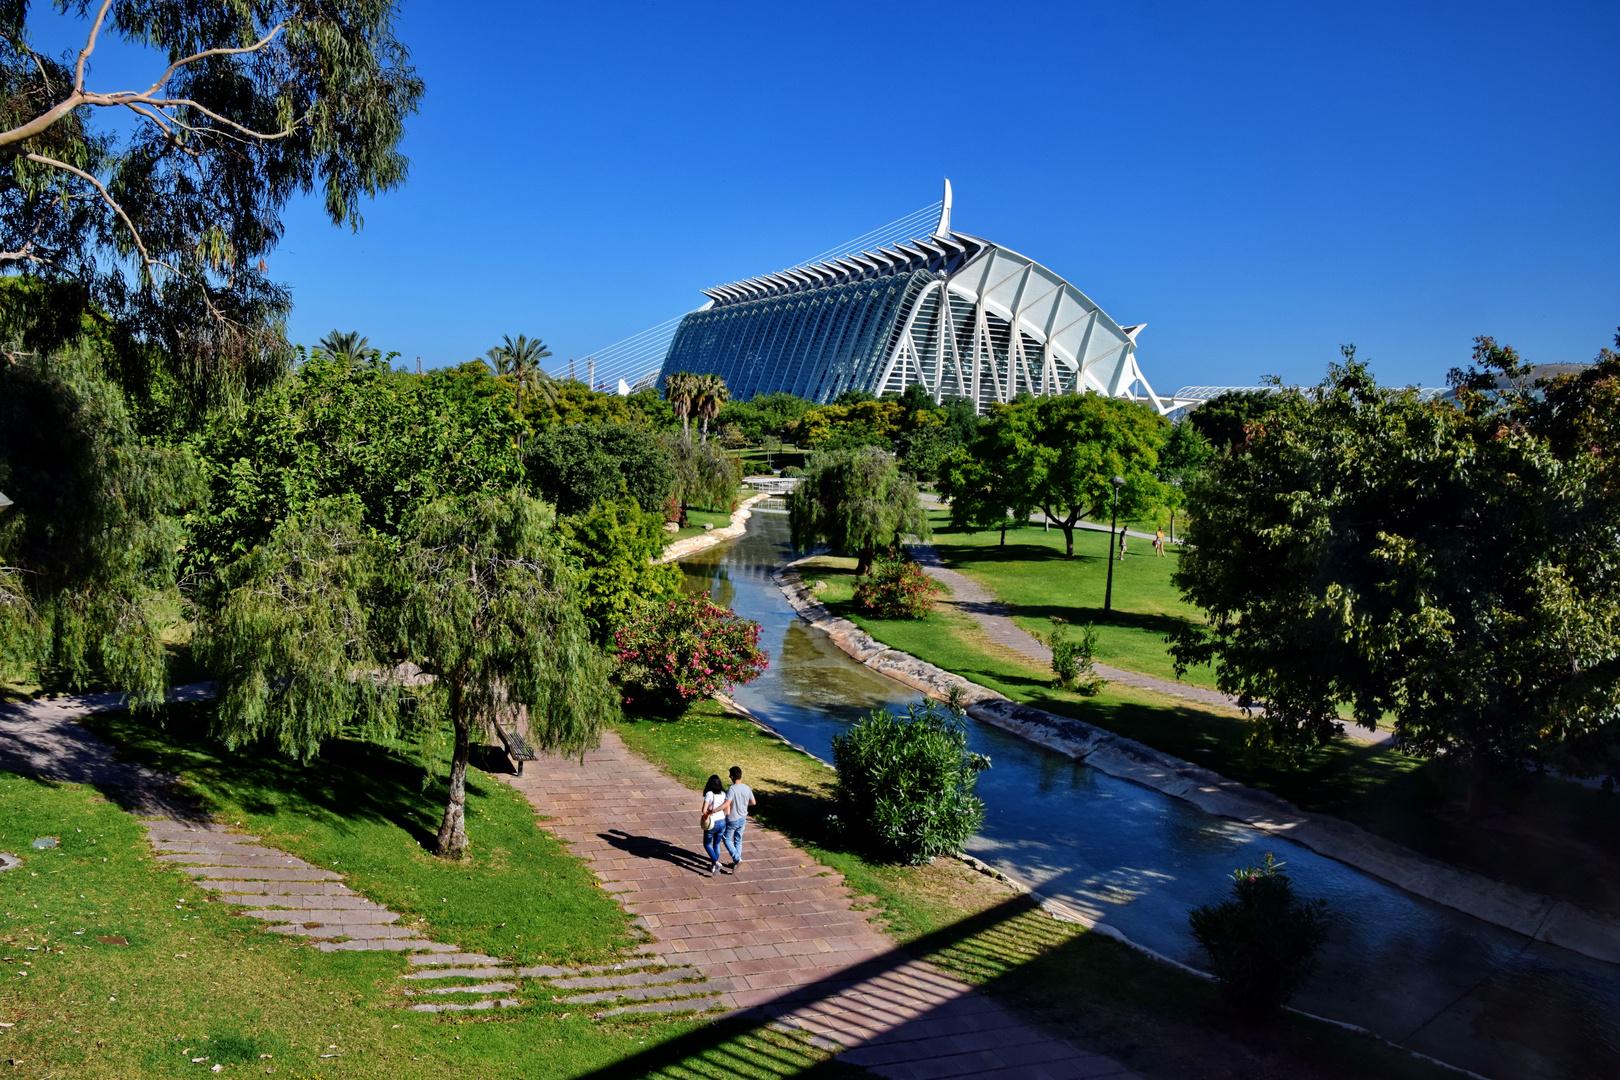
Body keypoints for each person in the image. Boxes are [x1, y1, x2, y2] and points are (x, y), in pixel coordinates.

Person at [718, 765, 755, 873]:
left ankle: (737, 859)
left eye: (730, 776)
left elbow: (727, 804)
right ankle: (736, 862)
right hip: (743, 818)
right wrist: (744, 803)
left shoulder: (732, 789)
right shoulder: (747, 788)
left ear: (733, 777)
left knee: (726, 838)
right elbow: (753, 802)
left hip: (733, 818)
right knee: (738, 839)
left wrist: (715, 810)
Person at [698, 774, 730, 876]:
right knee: (716, 844)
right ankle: (713, 866)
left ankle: (716, 863)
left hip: (712, 823)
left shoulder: (709, 794)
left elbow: (704, 810)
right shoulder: (724, 794)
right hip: (722, 822)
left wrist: (708, 811)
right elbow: (727, 811)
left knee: (707, 844)